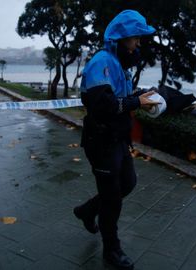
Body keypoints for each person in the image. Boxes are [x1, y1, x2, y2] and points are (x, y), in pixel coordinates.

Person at [73, 10, 158, 270]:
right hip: (100, 141)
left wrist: (140, 96)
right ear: (121, 38)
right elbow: (103, 103)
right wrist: (135, 102)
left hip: (119, 139)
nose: (138, 44)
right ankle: (112, 250)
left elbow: (120, 95)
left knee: (128, 184)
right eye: (135, 38)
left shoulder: (119, 64)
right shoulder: (102, 62)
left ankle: (88, 210)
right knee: (112, 199)